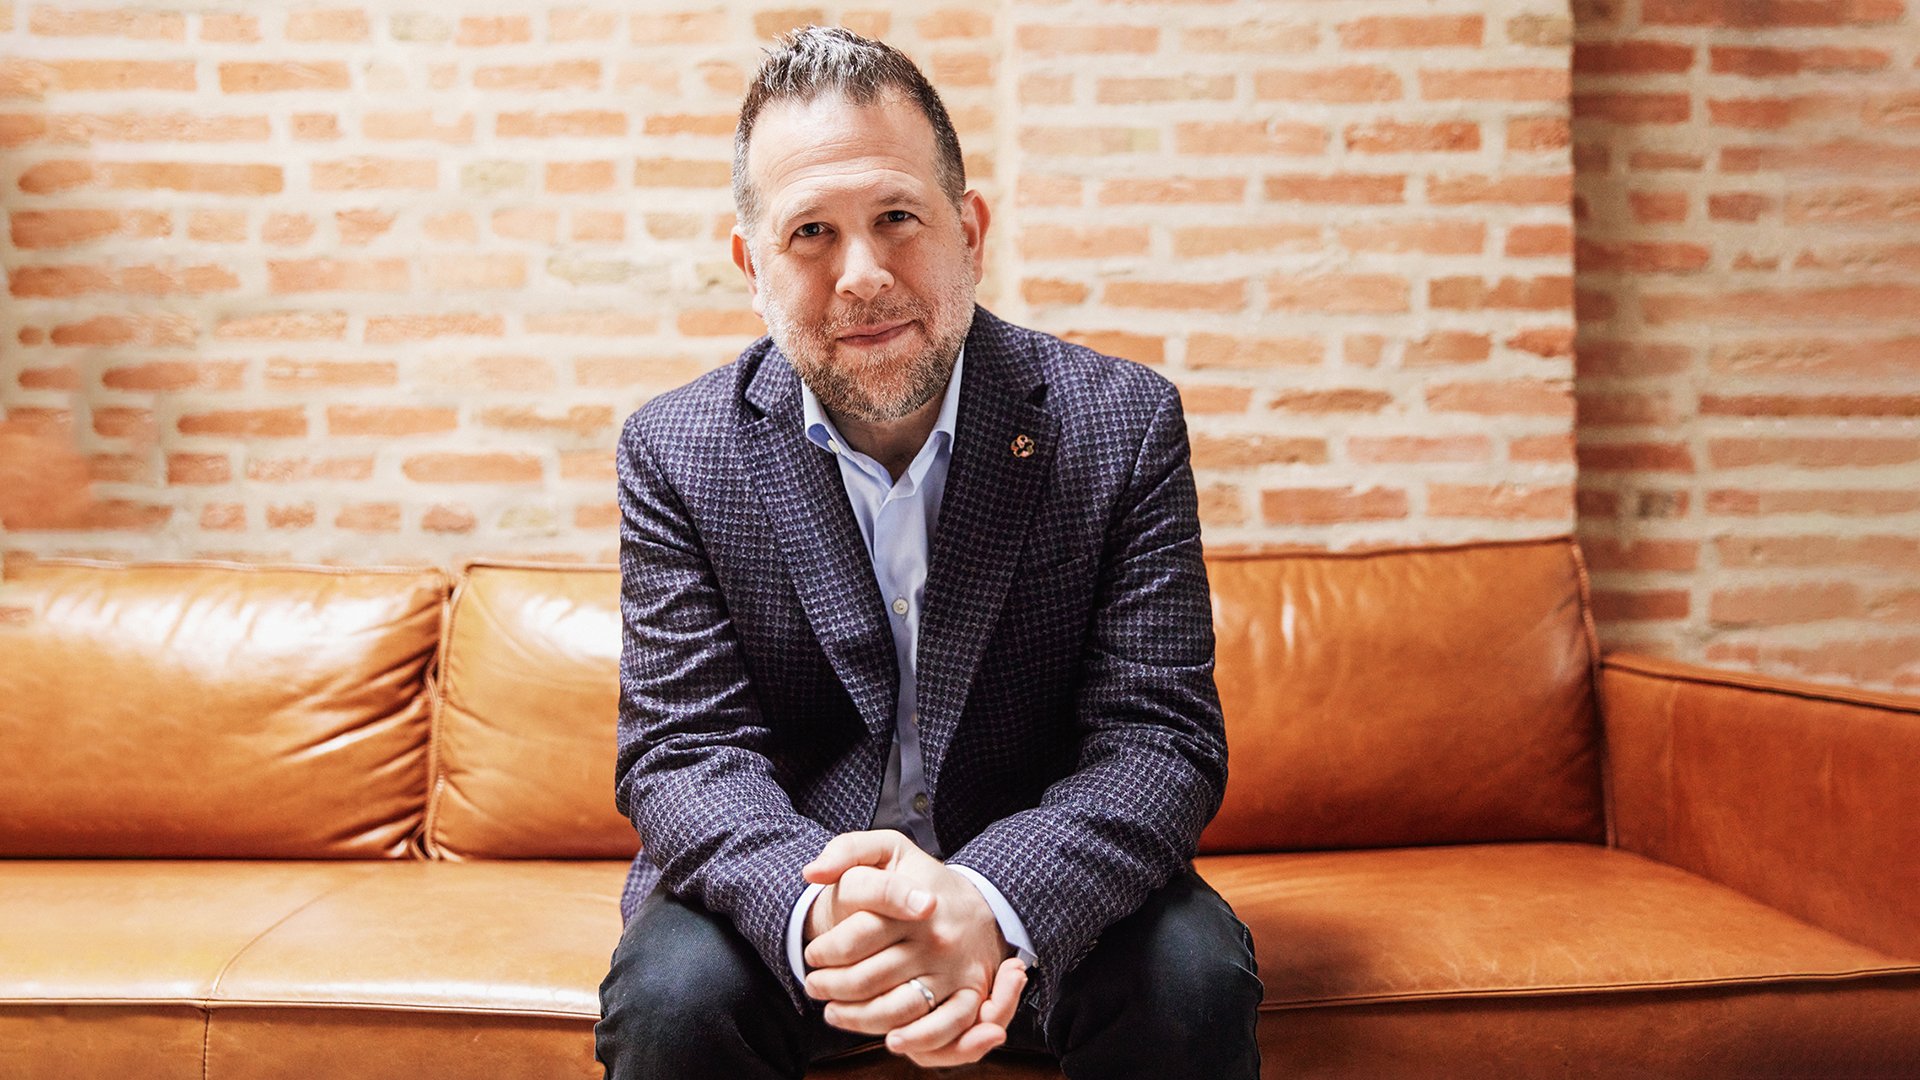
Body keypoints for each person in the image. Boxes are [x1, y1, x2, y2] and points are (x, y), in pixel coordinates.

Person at [594, 26, 1262, 1080]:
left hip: (1051, 884)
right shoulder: (674, 451)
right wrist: (829, 917)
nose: (861, 275)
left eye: (896, 217)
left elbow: (1158, 738)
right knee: (674, 996)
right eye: (810, 231)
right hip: (798, 903)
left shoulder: (1122, 424)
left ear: (969, 230)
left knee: (1192, 977)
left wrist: (986, 901)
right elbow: (682, 753)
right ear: (750, 265)